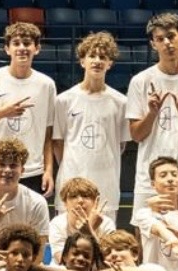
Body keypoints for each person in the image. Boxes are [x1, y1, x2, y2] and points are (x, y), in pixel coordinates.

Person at [127, 13, 178, 213]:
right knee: (146, 238)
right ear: (153, 44)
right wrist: (152, 113)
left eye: (171, 36)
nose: (167, 43)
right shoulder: (140, 81)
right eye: (160, 39)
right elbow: (136, 135)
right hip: (148, 178)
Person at [0, 22, 57, 195]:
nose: (22, 48)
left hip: (31, 171)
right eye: (16, 43)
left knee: (28, 223)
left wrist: (49, 170)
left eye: (27, 43)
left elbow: (48, 134)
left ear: (37, 48)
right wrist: (2, 113)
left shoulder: (47, 85)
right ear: (7, 49)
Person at [52, 31, 128, 215]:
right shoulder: (64, 100)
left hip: (106, 184)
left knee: (104, 240)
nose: (97, 61)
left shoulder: (120, 102)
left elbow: (121, 145)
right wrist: (75, 165)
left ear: (110, 63)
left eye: (103, 57)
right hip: (72, 181)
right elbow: (57, 142)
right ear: (82, 61)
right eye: (91, 55)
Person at [47, 177, 115, 264]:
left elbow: (107, 261)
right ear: (65, 203)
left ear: (95, 202)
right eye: (73, 197)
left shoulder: (106, 223)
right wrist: (89, 229)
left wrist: (89, 231)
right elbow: (61, 260)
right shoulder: (57, 223)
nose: (80, 201)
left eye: (86, 196)